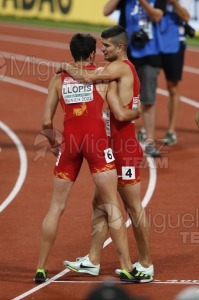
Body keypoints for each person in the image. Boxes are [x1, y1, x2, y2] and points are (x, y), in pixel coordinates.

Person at [34, 32, 151, 284]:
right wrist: (140, 110)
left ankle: (41, 267)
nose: (103, 51)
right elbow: (119, 112)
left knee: (57, 207)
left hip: (72, 145)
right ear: (91, 54)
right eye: (100, 49)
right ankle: (125, 265)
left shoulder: (59, 80)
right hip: (99, 145)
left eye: (107, 46)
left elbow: (45, 121)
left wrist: (55, 145)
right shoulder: (102, 79)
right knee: (111, 205)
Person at [103, 0, 166, 158]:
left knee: (149, 99)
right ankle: (118, 141)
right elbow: (106, 10)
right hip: (127, 54)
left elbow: (157, 16)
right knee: (120, 98)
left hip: (151, 53)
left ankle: (149, 142)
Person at [159, 0, 190, 145]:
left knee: (173, 87)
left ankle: (171, 131)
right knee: (145, 84)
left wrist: (174, 3)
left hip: (174, 45)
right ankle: (143, 130)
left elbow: (186, 17)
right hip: (153, 44)